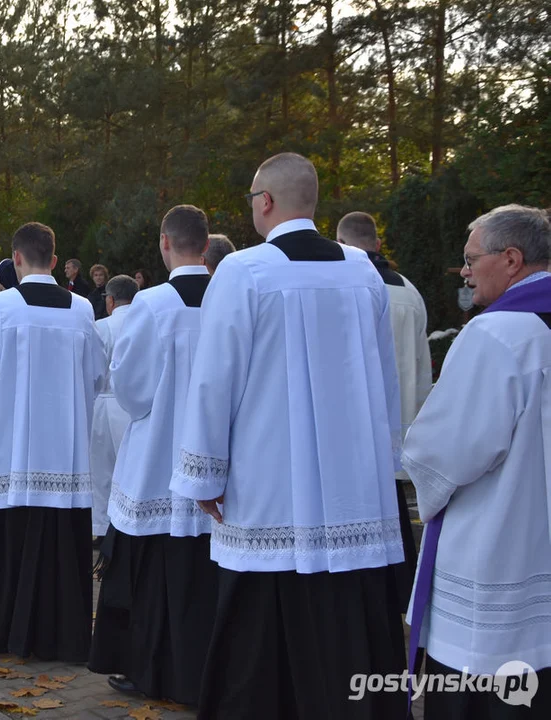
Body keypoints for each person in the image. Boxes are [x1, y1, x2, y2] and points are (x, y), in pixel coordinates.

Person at [170, 153, 405, 719]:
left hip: (269, 481)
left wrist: (203, 473)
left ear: (266, 201)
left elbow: (214, 380)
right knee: (348, 615)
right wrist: (386, 458)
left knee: (260, 629)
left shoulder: (244, 270)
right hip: (355, 486)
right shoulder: (362, 271)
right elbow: (384, 375)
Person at [402, 205, 551, 718]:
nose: (464, 271)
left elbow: (444, 453)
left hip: (498, 552)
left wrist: (417, 466)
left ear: (511, 259)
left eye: (471, 259)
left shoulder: (497, 335)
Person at [90, 206, 219, 706]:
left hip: (161, 454)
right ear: (205, 246)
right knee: (207, 570)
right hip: (218, 459)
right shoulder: (231, 296)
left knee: (158, 571)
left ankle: (154, 668)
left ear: (165, 243)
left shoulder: (153, 302)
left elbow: (133, 388)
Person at [0, 222, 105, 662]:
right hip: (66, 448)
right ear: (56, 261)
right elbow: (97, 376)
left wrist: (2, 409)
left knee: (9, 540)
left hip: (14, 447)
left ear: (16, 258)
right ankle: (63, 636)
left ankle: (3, 629)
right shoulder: (81, 309)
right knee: (63, 544)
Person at [337, 210, 432, 606]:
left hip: (358, 431)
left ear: (341, 244)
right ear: (377, 244)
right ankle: (403, 590)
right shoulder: (409, 290)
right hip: (402, 424)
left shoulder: (347, 286)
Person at [87, 275, 136, 538]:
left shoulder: (102, 326)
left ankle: (102, 526)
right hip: (137, 405)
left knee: (102, 469)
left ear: (110, 300)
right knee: (131, 467)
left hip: (104, 401)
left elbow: (93, 368)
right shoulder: (146, 321)